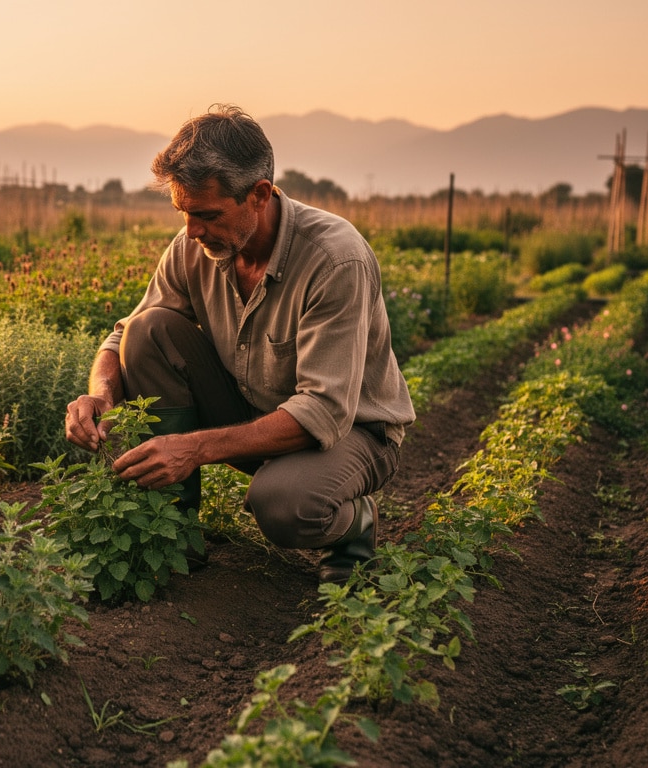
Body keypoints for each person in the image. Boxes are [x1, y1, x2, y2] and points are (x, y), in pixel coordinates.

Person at [63, 104, 414, 586]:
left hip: (351, 432)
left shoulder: (335, 260)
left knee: (283, 504)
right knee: (150, 331)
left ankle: (356, 525)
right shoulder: (195, 247)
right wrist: (102, 394)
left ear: (259, 194)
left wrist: (194, 447)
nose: (191, 231)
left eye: (206, 214)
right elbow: (125, 335)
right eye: (183, 213)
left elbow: (323, 412)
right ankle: (173, 532)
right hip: (254, 413)